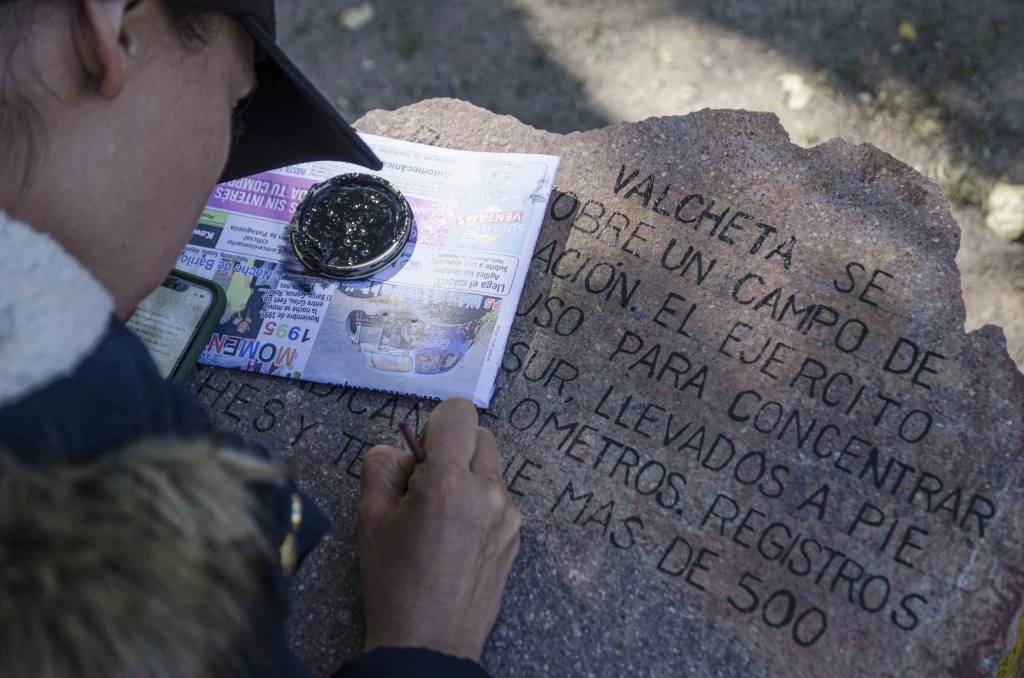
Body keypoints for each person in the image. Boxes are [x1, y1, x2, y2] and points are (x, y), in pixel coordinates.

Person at [0, 1, 521, 676]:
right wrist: (427, 641)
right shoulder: (66, 445)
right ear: (118, 23)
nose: (220, 171)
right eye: (235, 105)